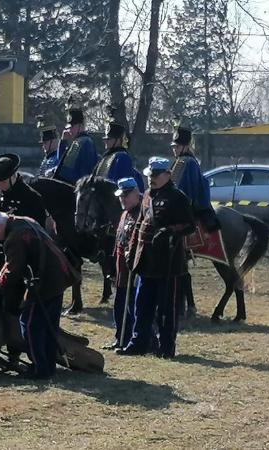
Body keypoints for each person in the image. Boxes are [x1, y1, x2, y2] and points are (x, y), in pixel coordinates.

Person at [0, 207, 79, 379]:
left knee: (30, 325)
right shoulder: (22, 220)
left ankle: (40, 369)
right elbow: (13, 261)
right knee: (49, 324)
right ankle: (48, 365)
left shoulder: (13, 238)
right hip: (58, 276)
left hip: (45, 282)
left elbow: (15, 270)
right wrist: (0, 276)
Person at [118, 157, 194, 358]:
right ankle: (139, 343)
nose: (151, 179)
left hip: (168, 262)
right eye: (150, 175)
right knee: (141, 306)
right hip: (146, 261)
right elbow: (139, 226)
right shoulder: (147, 196)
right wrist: (133, 253)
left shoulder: (178, 198)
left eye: (156, 175)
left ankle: (166, 347)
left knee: (166, 309)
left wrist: (170, 230)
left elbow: (189, 224)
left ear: (167, 175)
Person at [0, 153, 47, 293]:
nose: (0, 185)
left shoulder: (31, 197)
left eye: (3, 181)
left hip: (14, 259)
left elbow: (37, 231)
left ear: (13, 176)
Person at [169, 119, 217, 318]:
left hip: (187, 212)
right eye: (173, 146)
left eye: (177, 145)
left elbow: (185, 193)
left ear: (186, 145)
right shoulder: (179, 161)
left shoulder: (188, 162)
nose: (174, 149)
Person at [106, 177, 142, 350]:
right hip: (121, 271)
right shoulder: (124, 214)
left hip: (134, 272)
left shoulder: (142, 213)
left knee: (133, 308)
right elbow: (118, 241)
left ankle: (132, 340)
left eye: (126, 196)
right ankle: (119, 337)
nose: (123, 199)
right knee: (119, 305)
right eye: (121, 196)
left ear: (136, 193)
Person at [92, 107, 145, 190]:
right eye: (105, 139)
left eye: (109, 139)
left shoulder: (122, 157)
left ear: (118, 140)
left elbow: (124, 187)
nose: (105, 141)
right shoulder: (105, 157)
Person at [53, 97, 100, 185]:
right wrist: (62, 142)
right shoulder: (75, 142)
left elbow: (85, 173)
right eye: (69, 127)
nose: (70, 130)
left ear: (81, 125)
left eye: (73, 126)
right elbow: (61, 164)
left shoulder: (86, 142)